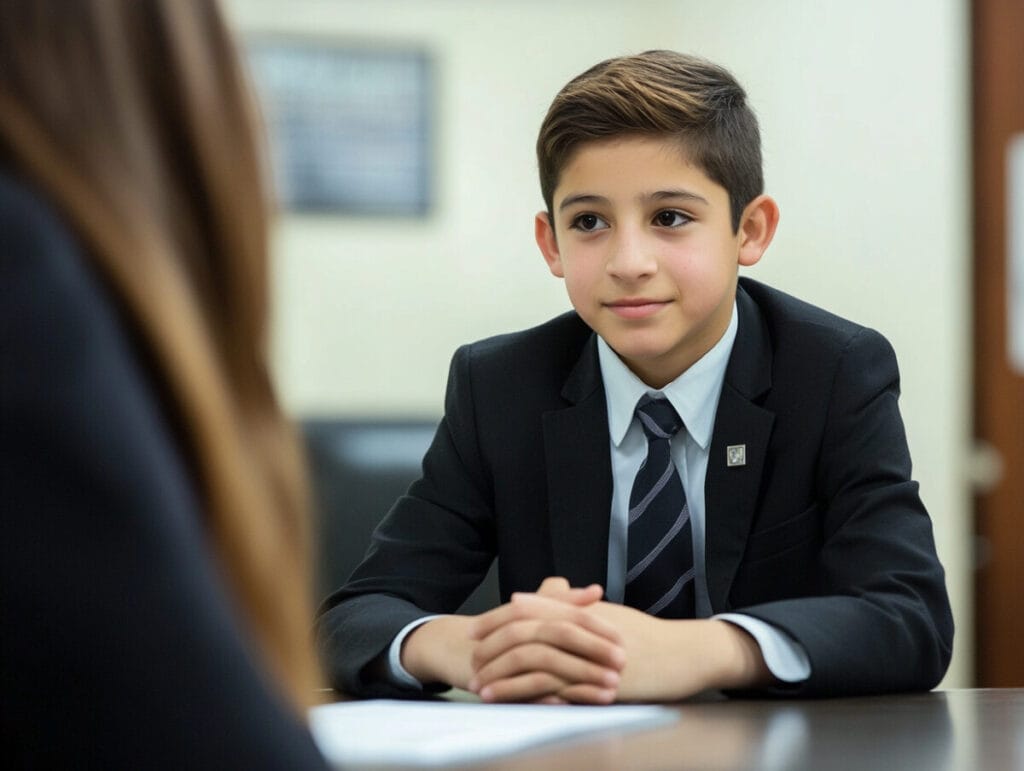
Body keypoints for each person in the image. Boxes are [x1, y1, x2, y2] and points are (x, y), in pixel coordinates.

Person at [317, 50, 954, 704]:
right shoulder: (499, 386)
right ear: (552, 244)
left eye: (669, 218)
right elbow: (352, 618)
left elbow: (910, 617)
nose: (628, 261)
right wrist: (469, 645)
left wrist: (701, 650)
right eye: (589, 222)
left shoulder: (834, 373)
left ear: (750, 230)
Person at [0, 1, 329, 766]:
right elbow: (359, 610)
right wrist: (446, 639)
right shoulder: (19, 272)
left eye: (671, 217)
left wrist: (673, 647)